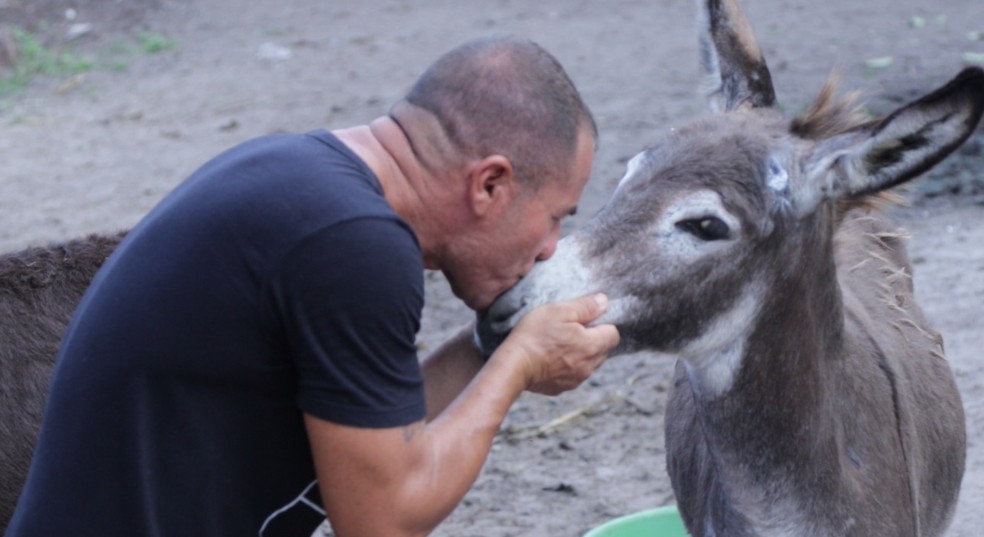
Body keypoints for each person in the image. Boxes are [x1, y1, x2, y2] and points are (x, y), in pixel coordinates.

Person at [5, 35, 619, 537]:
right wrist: (518, 365)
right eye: (556, 215)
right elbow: (383, 524)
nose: (549, 247)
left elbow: (377, 440)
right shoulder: (356, 245)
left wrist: (491, 343)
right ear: (490, 184)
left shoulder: (304, 179)